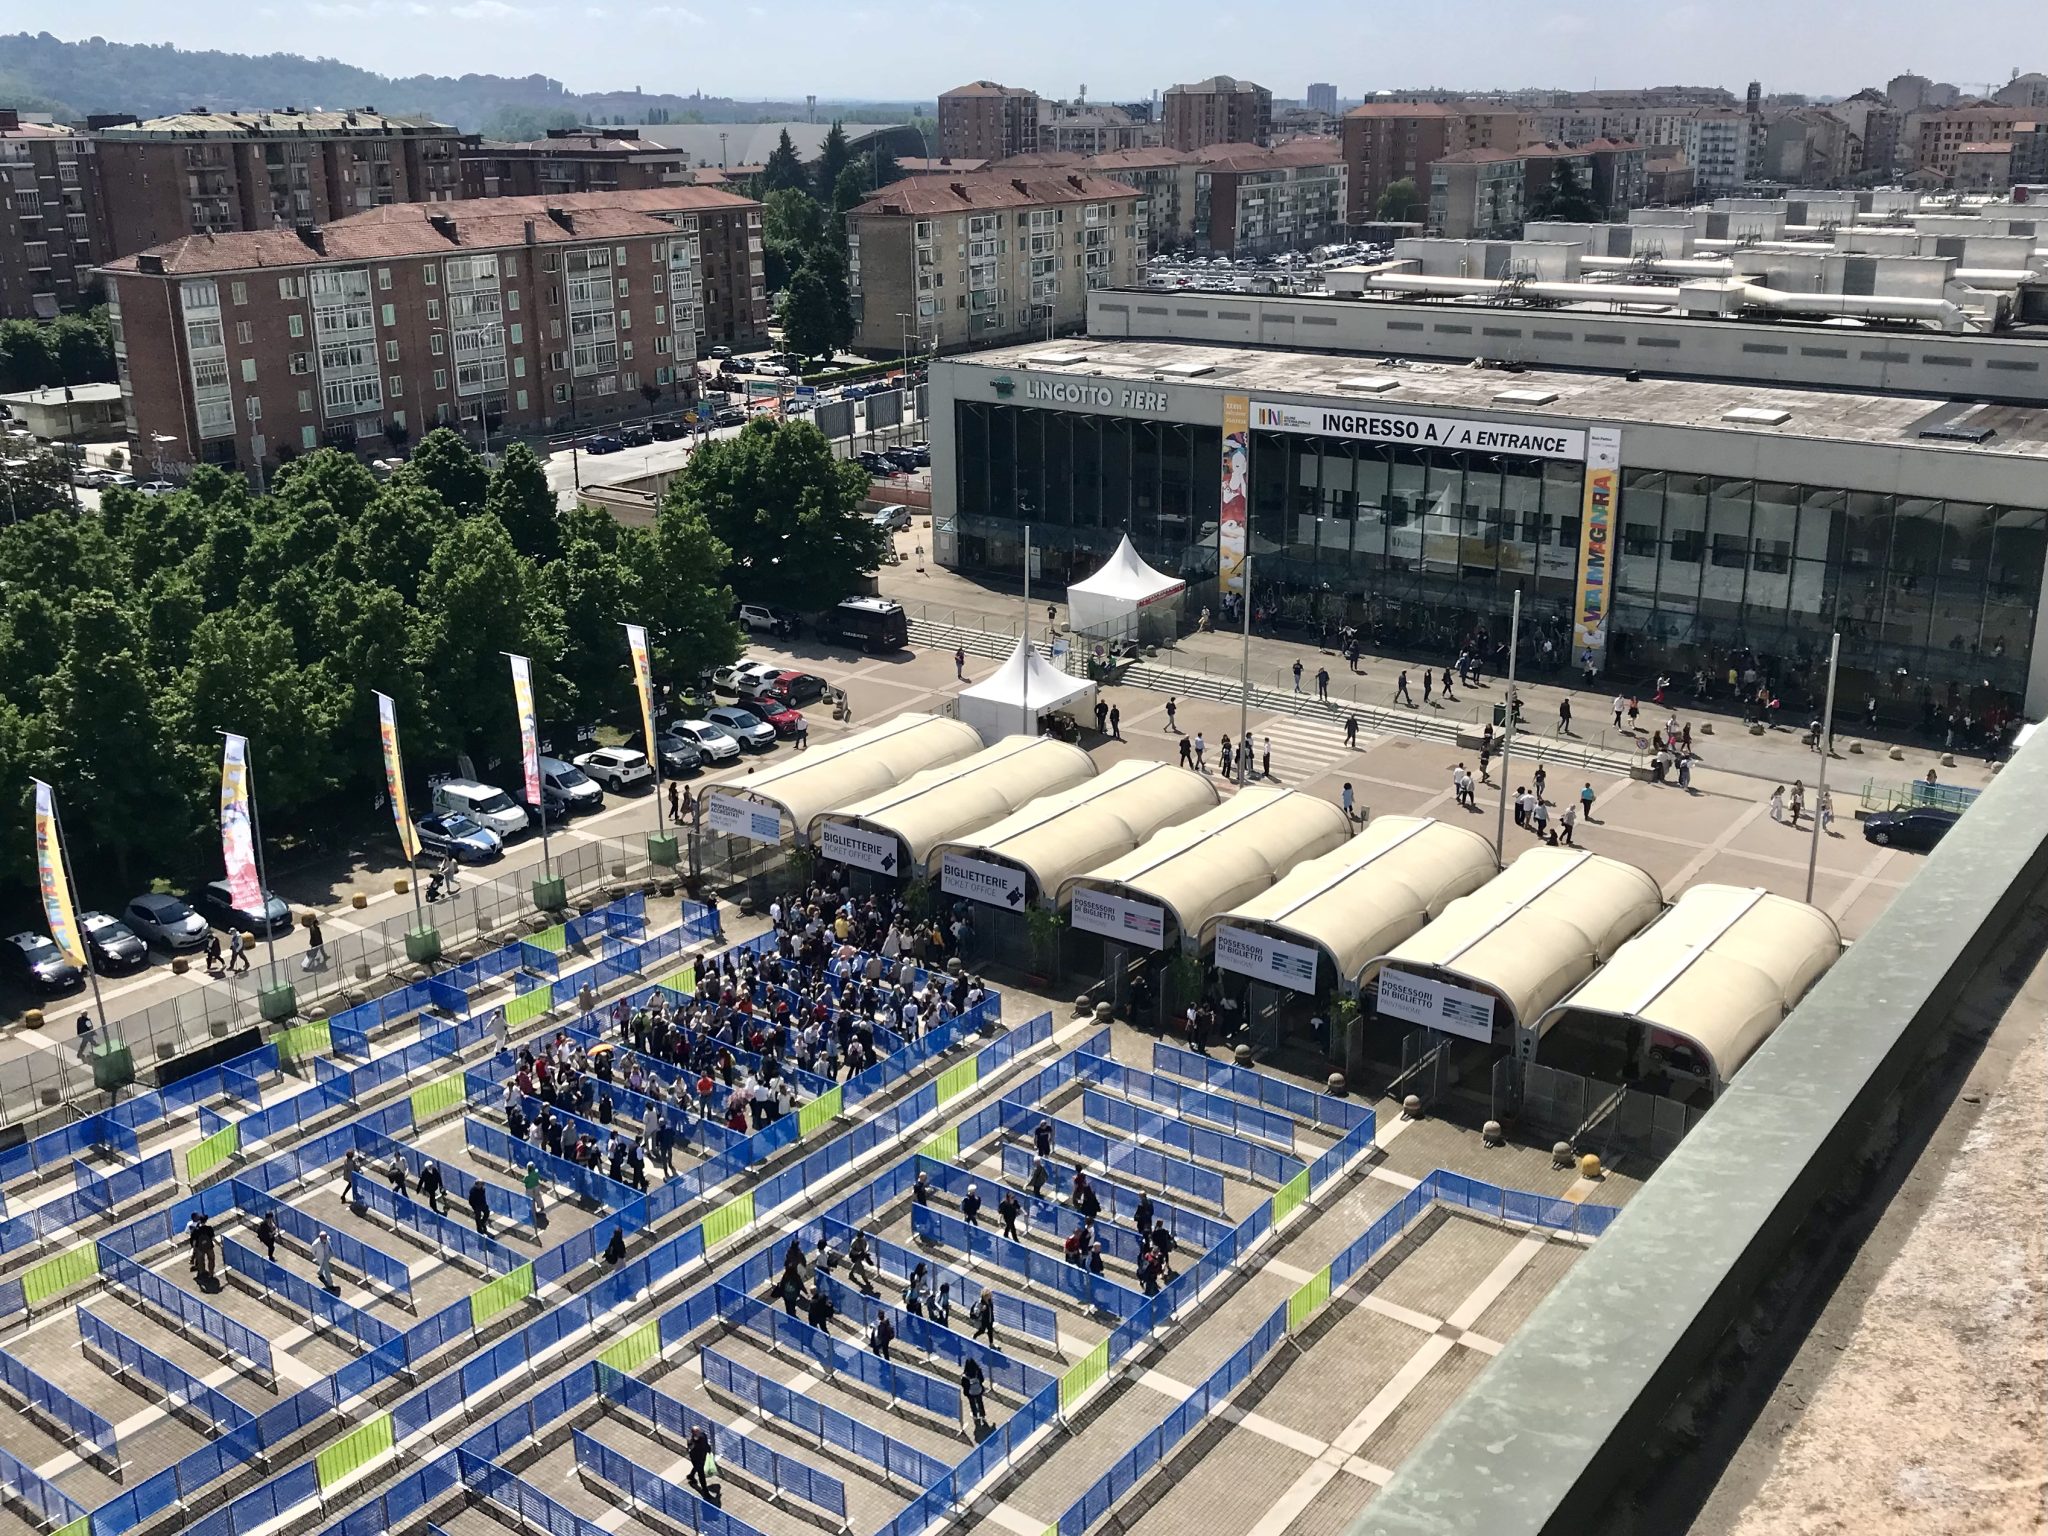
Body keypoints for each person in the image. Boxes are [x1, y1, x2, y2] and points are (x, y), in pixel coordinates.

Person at [686, 1425, 715, 1499]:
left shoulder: (703, 1435)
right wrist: (694, 1441)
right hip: (696, 1458)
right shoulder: (691, 1440)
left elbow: (706, 1444)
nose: (699, 1433)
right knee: (701, 1474)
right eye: (696, 1432)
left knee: (697, 1467)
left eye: (698, 1431)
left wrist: (708, 1450)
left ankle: (691, 1476)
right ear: (693, 1433)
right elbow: (690, 1448)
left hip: (703, 1456)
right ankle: (705, 1491)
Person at [962, 1357, 990, 1432]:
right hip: (978, 1390)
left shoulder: (965, 1375)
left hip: (970, 1393)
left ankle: (975, 1415)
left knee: (972, 1403)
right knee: (980, 1402)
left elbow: (963, 1385)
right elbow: (982, 1380)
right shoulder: (978, 1371)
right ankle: (982, 1415)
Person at [524, 1162, 547, 1229]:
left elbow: (525, 1181)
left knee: (531, 1200)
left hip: (529, 1189)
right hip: (536, 1186)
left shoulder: (527, 1177)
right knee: (538, 1197)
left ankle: (533, 1211)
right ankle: (541, 1206)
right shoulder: (536, 1172)